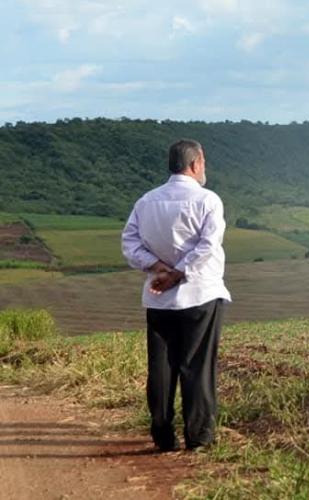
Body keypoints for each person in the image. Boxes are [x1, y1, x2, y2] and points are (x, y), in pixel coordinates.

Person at [121, 139, 231, 451]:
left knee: (161, 365)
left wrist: (159, 268)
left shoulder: (146, 201)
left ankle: (162, 434)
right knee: (197, 365)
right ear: (197, 163)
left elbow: (129, 244)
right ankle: (199, 436)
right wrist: (179, 273)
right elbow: (208, 246)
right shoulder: (208, 200)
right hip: (199, 293)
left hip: (158, 296)